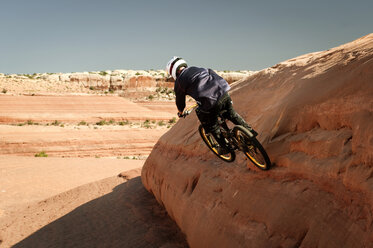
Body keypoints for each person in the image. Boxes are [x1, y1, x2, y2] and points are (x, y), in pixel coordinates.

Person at [166, 56, 257, 154]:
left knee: (212, 125)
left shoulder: (179, 81)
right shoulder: (199, 68)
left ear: (173, 71)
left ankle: (225, 147)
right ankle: (250, 133)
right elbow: (214, 75)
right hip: (224, 92)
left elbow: (180, 101)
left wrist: (180, 112)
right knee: (232, 114)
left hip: (210, 102)